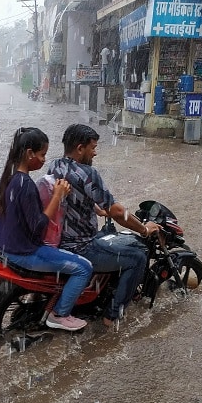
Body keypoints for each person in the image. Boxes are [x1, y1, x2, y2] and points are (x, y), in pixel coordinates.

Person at [48, 124, 160, 327]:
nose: (95, 152)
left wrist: (95, 208)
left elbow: (71, 197)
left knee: (106, 235)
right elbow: (117, 211)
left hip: (58, 241)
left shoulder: (55, 166)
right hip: (80, 246)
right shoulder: (88, 173)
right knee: (137, 257)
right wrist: (144, 229)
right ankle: (113, 315)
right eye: (93, 147)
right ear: (80, 148)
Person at [0, 127, 93, 332]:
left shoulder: (10, 178)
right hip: (25, 252)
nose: (43, 160)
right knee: (84, 267)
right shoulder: (26, 185)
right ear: (29, 154)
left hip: (6, 249)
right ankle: (60, 314)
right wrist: (57, 196)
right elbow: (38, 226)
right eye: (42, 154)